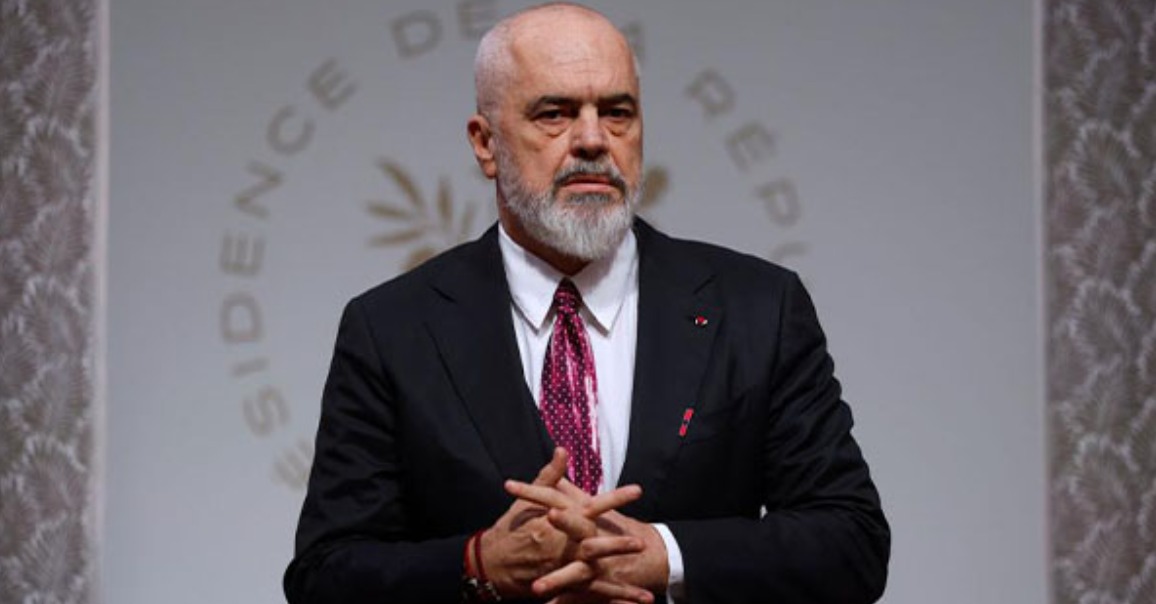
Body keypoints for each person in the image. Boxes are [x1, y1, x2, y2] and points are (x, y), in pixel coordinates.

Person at [283, 3, 889, 603]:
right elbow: (325, 574)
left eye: (617, 113)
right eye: (555, 113)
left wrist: (665, 556)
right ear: (485, 144)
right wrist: (478, 564)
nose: (594, 140)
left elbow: (851, 542)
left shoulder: (759, 308)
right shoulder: (392, 329)